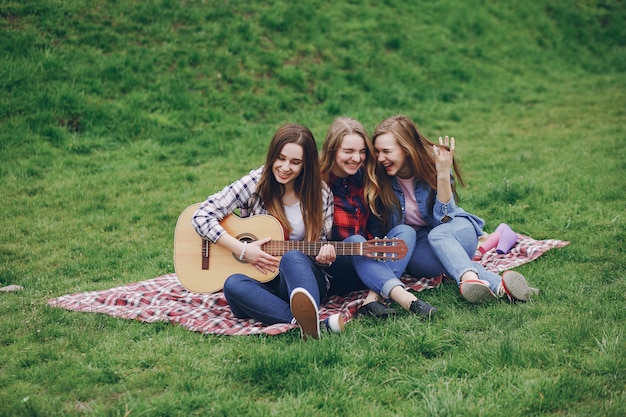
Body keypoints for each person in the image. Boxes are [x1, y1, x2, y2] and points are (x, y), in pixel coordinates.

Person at [191, 123, 344, 340]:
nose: (284, 167)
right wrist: (242, 250)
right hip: (261, 282)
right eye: (280, 158)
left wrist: (324, 258)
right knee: (233, 283)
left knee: (292, 257)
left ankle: (300, 315)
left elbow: (320, 247)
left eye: (295, 162)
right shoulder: (257, 182)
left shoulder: (321, 194)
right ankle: (310, 324)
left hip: (299, 281)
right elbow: (201, 215)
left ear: (306, 165)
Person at [370, 114, 537, 303]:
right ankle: (500, 286)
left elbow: (445, 218)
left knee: (438, 234)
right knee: (432, 259)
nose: (380, 158)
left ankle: (468, 278)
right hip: (422, 246)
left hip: (455, 230)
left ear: (406, 149)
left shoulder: (435, 163)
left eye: (386, 151)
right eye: (377, 151)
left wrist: (442, 174)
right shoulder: (379, 178)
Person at [319, 117, 437, 318]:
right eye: (348, 151)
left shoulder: (366, 176)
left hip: (372, 263)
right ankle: (406, 298)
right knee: (356, 241)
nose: (356, 158)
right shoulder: (318, 184)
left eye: (362, 151)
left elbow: (403, 161)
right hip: (339, 268)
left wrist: (437, 166)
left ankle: (371, 301)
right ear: (332, 150)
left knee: (405, 231)